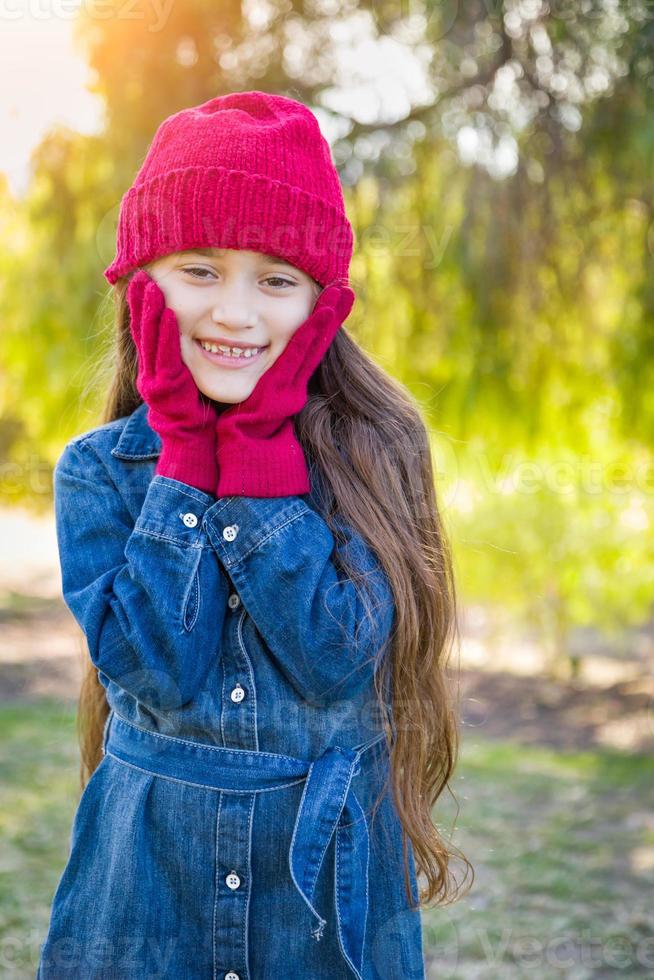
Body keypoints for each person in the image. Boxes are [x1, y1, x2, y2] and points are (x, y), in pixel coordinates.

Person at [36, 90, 469, 979]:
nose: (236, 314)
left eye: (276, 281)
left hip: (323, 896)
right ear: (139, 283)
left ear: (323, 305)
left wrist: (263, 462)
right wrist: (189, 458)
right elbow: (156, 669)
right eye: (199, 270)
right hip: (147, 889)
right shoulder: (98, 473)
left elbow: (335, 660)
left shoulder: (374, 449)